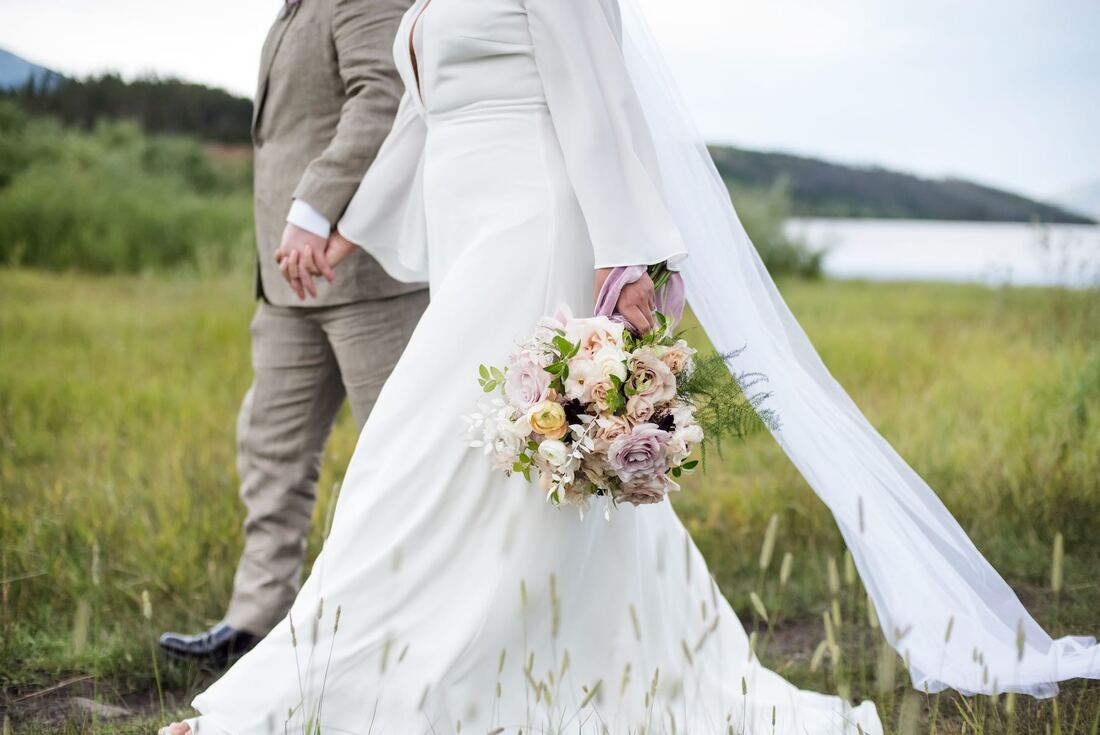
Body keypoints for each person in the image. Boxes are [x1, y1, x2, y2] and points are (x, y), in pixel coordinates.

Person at [164, 0, 1099, 732]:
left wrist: (628, 250)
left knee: (415, 452)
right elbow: (418, 113)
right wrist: (339, 224)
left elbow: (599, 92)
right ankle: (477, 666)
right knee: (512, 474)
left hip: (533, 226)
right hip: (465, 233)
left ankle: (308, 693)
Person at [157, 0, 427, 667]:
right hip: (285, 281)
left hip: (365, 272)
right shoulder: (295, 7)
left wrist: (312, 205)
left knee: (402, 459)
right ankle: (255, 625)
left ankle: (411, 631)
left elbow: (384, 93)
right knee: (270, 449)